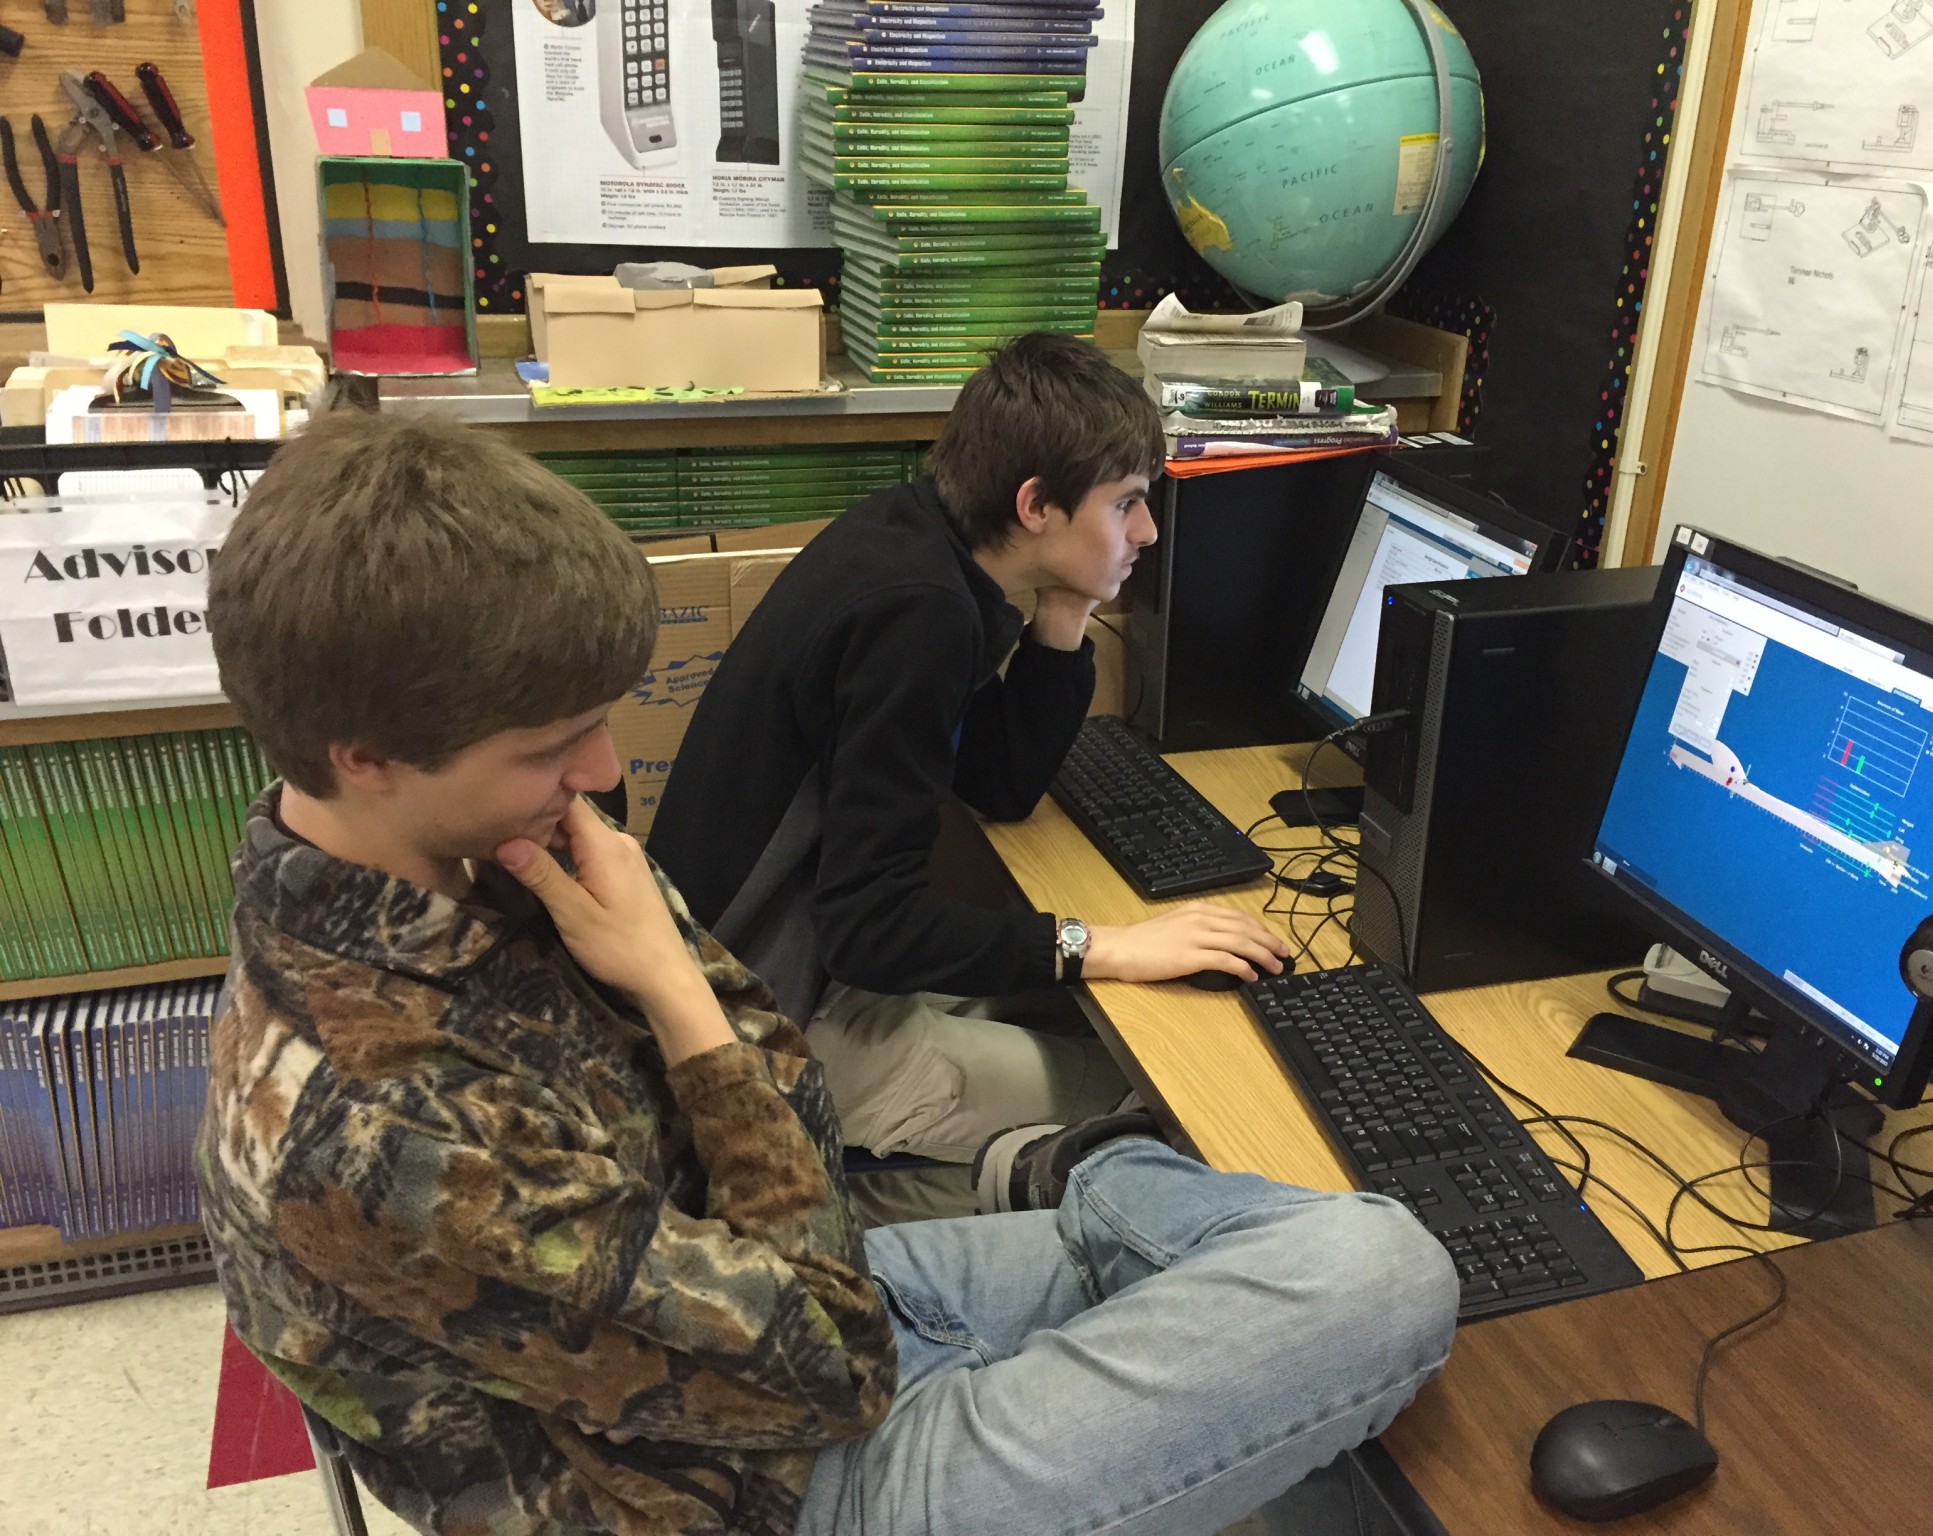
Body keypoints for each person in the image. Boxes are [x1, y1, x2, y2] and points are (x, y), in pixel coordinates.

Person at [196, 409, 1458, 1536]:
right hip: (757, 1480)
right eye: (549, 747)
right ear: (366, 757)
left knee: (1313, 1262)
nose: (600, 773)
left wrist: (684, 992)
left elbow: (789, 1090)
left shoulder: (489, 849)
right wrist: (677, 996)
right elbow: (831, 1366)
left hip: (792, 1298)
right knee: (1381, 1285)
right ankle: (1087, 1183)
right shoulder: (370, 1123)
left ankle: (1079, 1181)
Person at [645, 332, 1291, 1173]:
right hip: (766, 1027)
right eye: (1125, 503)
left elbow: (998, 782)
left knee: (1105, 1009)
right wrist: (1103, 945)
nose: (1149, 529)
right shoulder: (917, 616)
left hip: (800, 969)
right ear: (1035, 505)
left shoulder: (923, 543)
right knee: (1165, 1097)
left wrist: (1065, 609)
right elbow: (871, 932)